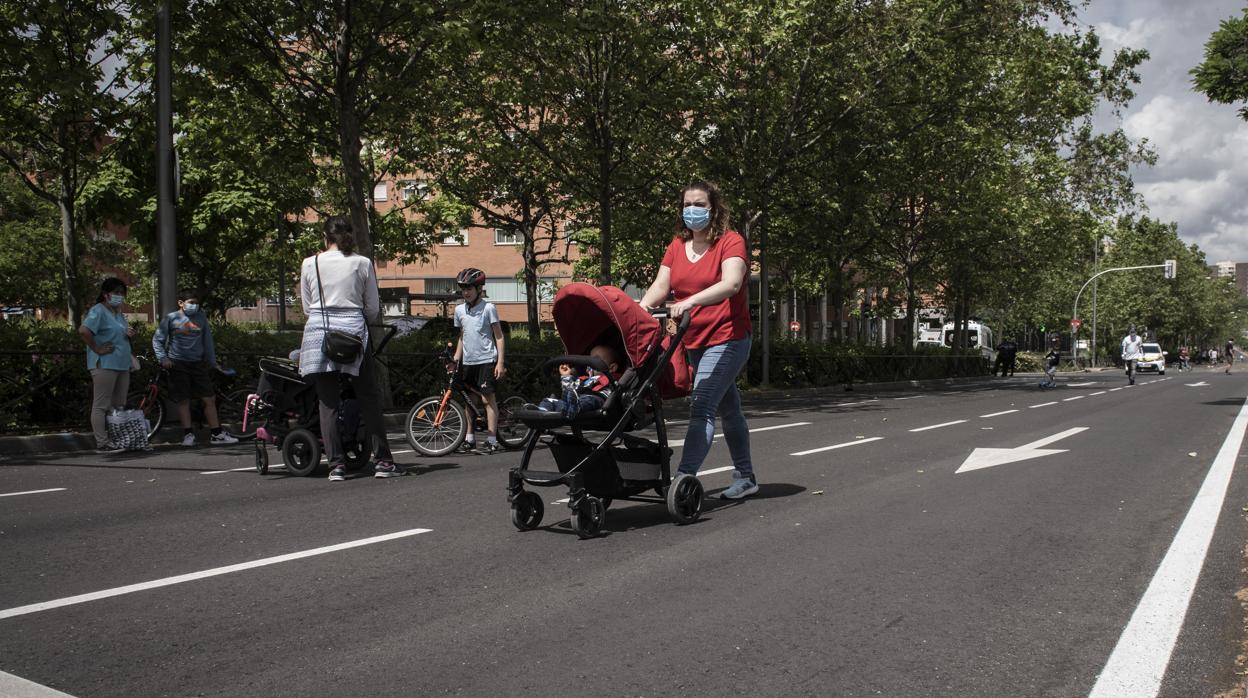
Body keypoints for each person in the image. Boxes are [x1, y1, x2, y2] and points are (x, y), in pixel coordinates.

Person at [641, 180, 756, 499]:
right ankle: (746, 476)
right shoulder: (677, 246)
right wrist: (638, 309)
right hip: (693, 339)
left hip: (729, 337)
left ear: (714, 209)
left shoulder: (731, 242)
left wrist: (691, 301)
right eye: (687, 204)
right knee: (729, 407)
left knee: (703, 404)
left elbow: (732, 283)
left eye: (700, 204)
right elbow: (660, 286)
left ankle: (683, 479)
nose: (693, 210)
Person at [299, 216, 401, 480]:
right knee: (368, 396)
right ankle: (383, 462)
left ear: (325, 237)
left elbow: (307, 306)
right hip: (354, 331)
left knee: (327, 402)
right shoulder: (362, 263)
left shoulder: (311, 263)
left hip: (320, 332)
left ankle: (336, 466)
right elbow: (372, 307)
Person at [153, 290, 238, 446]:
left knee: (209, 398)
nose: (195, 306)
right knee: (183, 400)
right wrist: (163, 358)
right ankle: (188, 435)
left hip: (198, 364)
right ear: (181, 303)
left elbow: (208, 342)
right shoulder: (171, 319)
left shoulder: (201, 318)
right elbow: (157, 340)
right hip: (177, 363)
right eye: (191, 302)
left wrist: (213, 363)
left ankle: (216, 434)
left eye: (196, 303)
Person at [78, 278, 136, 453]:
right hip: (104, 363)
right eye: (116, 292)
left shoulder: (118, 313)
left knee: (119, 404)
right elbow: (83, 330)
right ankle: (102, 443)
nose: (120, 296)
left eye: (122, 293)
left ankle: (116, 439)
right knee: (101, 405)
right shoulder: (98, 310)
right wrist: (96, 348)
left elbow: (118, 334)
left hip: (122, 364)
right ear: (105, 294)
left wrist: (129, 333)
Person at [453, 267, 507, 453]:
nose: (466, 292)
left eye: (469, 288)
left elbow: (499, 336)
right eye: (463, 289)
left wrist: (500, 362)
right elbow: (462, 335)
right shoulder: (459, 310)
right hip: (468, 362)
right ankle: (470, 438)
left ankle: (492, 439)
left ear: (479, 289)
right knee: (469, 401)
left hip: (487, 360)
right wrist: (456, 359)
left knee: (487, 399)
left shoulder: (488, 308)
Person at [536, 345, 620, 417]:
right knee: (549, 400)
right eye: (590, 360)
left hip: (597, 400)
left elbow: (616, 393)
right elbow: (569, 390)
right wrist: (566, 376)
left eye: (596, 360)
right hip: (575, 401)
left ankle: (575, 407)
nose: (591, 364)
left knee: (590, 399)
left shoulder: (612, 379)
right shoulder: (583, 379)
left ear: (612, 367)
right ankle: (541, 412)